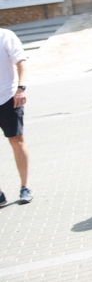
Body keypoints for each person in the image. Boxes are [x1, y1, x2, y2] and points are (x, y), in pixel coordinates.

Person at [0, 28, 32, 205]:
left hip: (8, 98)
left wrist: (22, 88)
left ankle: (25, 186)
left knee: (16, 140)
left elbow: (21, 62)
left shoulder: (5, 36)